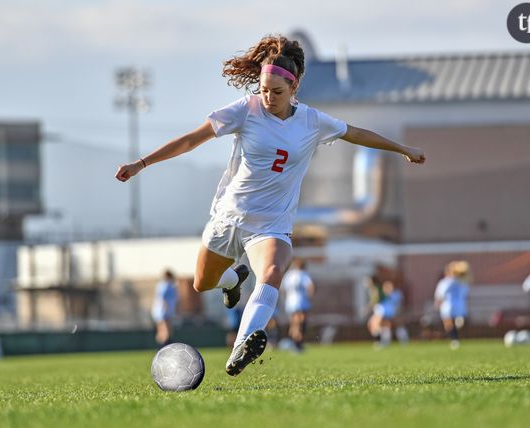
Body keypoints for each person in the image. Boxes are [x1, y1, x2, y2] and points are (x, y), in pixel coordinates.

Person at [115, 35, 426, 376]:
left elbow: (356, 134)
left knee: (274, 271)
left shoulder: (311, 121)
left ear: (293, 88)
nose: (268, 97)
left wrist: (403, 149)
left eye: (277, 92)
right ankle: (232, 280)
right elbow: (192, 139)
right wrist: (142, 163)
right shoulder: (245, 110)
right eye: (264, 89)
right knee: (202, 283)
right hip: (229, 217)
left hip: (271, 224)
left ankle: (241, 347)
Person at [281, 258, 315, 351]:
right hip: (301, 301)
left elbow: (283, 289)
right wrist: (310, 296)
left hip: (290, 302)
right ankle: (297, 342)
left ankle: (294, 341)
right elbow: (310, 286)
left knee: (293, 322)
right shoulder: (303, 274)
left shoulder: (288, 275)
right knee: (300, 321)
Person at [434, 261, 470, 349]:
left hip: (448, 305)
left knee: (448, 323)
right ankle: (459, 321)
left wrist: (437, 303)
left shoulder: (445, 282)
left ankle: (454, 340)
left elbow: (440, 294)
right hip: (460, 305)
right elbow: (465, 293)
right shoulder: (463, 282)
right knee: (457, 323)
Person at [151, 269, 179, 347]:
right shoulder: (165, 285)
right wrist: (166, 309)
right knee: (166, 331)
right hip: (163, 311)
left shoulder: (167, 285)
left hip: (163, 311)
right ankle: (164, 347)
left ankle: (162, 347)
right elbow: (162, 298)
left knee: (164, 331)